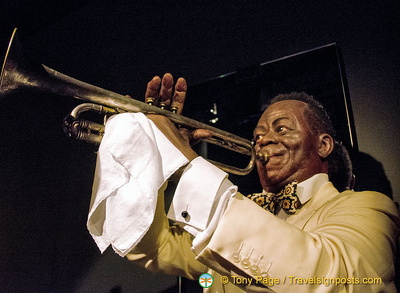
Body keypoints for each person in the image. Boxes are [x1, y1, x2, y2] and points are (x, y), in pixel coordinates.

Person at [117, 73, 399, 292]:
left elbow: (336, 282)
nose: (263, 140)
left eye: (282, 128)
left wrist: (189, 166)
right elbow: (149, 246)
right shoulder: (240, 210)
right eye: (258, 135)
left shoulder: (369, 206)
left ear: (323, 145)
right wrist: (148, 153)